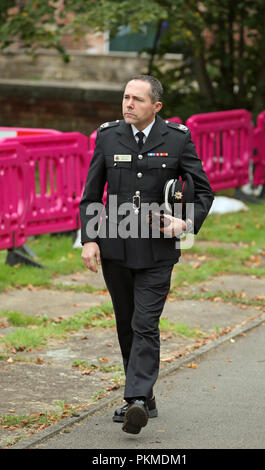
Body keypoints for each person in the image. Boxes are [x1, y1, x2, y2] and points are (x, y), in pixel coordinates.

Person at [79, 75, 214, 435]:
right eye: (125, 97)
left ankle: (136, 399)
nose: (128, 104)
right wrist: (89, 239)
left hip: (157, 250)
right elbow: (92, 195)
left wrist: (183, 224)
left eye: (137, 99)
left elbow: (204, 194)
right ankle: (146, 396)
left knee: (145, 323)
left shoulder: (177, 139)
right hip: (116, 245)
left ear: (155, 107)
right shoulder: (108, 136)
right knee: (126, 322)